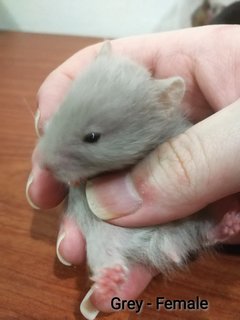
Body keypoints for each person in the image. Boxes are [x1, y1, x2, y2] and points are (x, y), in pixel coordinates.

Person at [26, 25, 240, 312]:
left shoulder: (171, 124)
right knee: (84, 213)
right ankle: (106, 269)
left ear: (162, 106)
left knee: (193, 217)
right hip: (127, 232)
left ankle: (209, 233)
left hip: (175, 226)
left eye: (91, 138)